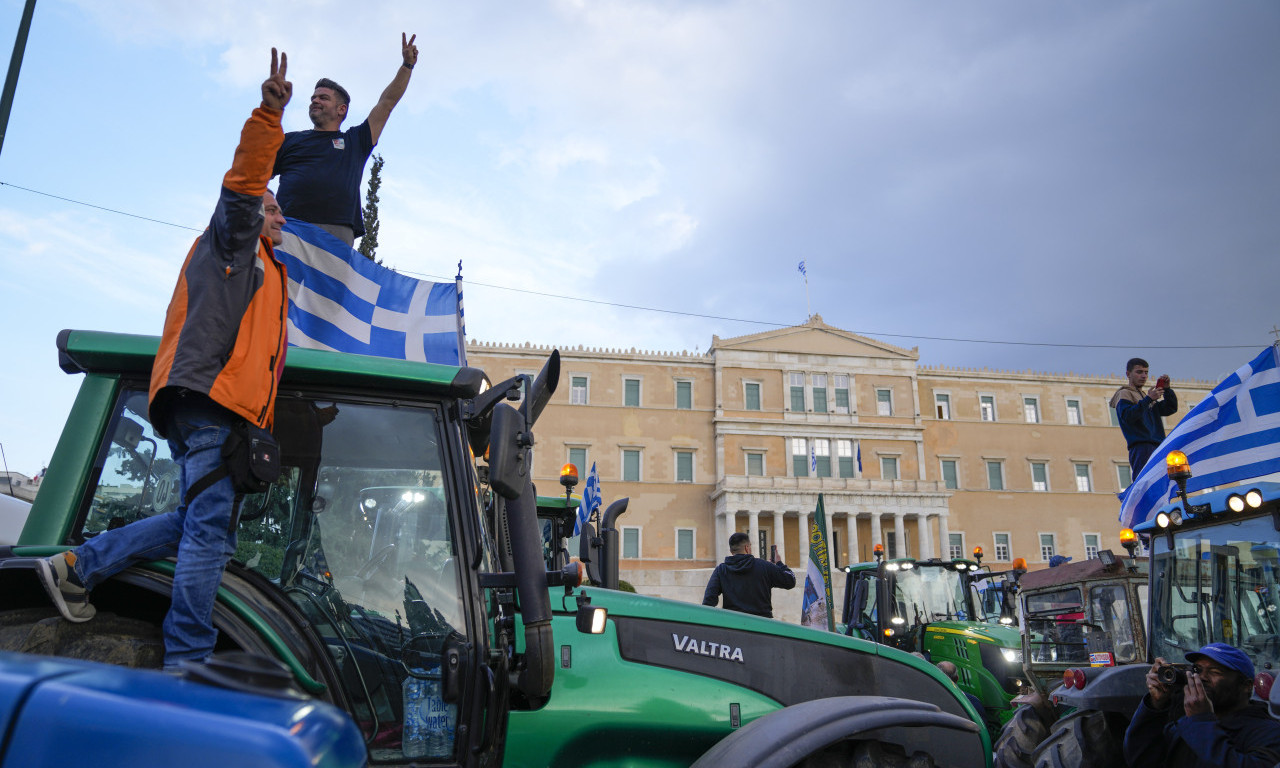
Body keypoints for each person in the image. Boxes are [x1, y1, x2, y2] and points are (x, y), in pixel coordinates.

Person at [36, 49, 294, 670]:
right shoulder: (235, 242)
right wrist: (269, 115)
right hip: (210, 403)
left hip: (208, 406)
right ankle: (188, 664)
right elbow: (241, 187)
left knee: (190, 519)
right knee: (210, 533)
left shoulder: (265, 269)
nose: (281, 216)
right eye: (273, 208)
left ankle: (77, 565)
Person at [272, 33, 418, 246]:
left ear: (342, 109)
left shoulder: (355, 142)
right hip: (289, 227)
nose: (315, 100)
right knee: (282, 280)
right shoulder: (290, 140)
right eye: (313, 97)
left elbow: (386, 103)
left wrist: (407, 65)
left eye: (323, 97)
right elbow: (256, 175)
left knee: (330, 282)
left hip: (336, 231)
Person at [1123, 643, 1280, 768]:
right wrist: (1155, 705)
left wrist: (1202, 721)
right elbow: (1141, 760)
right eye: (1197, 670)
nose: (1201, 677)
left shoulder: (1269, 732)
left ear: (1246, 685)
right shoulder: (1184, 725)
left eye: (1215, 672)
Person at [702, 532, 796, 618]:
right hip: (763, 626)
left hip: (732, 625)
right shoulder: (765, 566)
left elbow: (708, 600)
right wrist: (779, 563)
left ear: (731, 551)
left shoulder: (721, 570)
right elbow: (790, 581)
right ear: (747, 548)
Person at [1111, 357, 1178, 476]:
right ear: (1128, 374)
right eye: (1139, 372)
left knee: (1161, 482)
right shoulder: (1124, 393)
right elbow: (1128, 416)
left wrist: (1167, 390)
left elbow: (1170, 408)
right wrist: (1148, 399)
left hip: (1158, 445)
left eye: (1146, 372)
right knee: (1145, 483)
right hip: (1142, 447)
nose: (1143, 376)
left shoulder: (1145, 396)